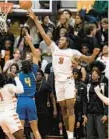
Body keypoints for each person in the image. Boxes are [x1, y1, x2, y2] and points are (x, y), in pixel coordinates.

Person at [27, 9, 100, 139]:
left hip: (68, 81)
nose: (59, 41)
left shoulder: (72, 52)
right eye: (59, 40)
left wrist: (94, 54)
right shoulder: (54, 48)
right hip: (58, 82)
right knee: (64, 110)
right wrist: (35, 19)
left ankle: (71, 136)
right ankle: (68, 133)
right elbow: (43, 33)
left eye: (61, 40)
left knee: (70, 108)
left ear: (67, 42)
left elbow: (88, 60)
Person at [0, 66, 24, 139]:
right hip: (10, 115)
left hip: (1, 118)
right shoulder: (9, 86)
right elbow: (21, 90)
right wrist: (16, 77)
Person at [16, 60, 42, 139]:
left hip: (20, 101)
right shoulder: (33, 73)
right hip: (31, 101)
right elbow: (36, 57)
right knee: (35, 130)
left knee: (20, 129)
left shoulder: (18, 75)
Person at [35, 69, 57, 138]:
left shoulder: (46, 84)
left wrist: (55, 109)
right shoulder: (32, 84)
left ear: (42, 76)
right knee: (35, 128)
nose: (38, 76)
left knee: (43, 129)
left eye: (39, 74)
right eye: (36, 74)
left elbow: (52, 97)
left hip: (44, 109)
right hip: (34, 109)